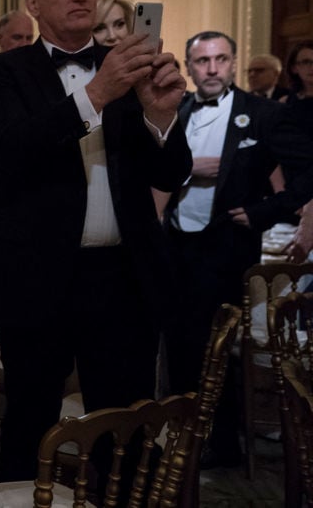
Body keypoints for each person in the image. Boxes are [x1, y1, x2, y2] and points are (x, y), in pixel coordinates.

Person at [0, 0, 191, 481]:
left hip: (121, 278)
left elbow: (168, 175)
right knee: (29, 420)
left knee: (126, 428)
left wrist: (160, 118)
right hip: (35, 276)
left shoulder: (128, 71)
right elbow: (8, 155)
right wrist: (95, 94)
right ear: (33, 2)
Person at [163, 31, 313, 467]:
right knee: (179, 347)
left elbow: (307, 170)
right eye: (202, 60)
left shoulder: (262, 114)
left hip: (225, 246)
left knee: (219, 347)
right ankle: (182, 437)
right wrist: (188, 170)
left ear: (232, 63)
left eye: (220, 59)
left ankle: (223, 444)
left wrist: (267, 210)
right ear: (190, 67)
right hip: (175, 244)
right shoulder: (177, 108)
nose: (211, 68)